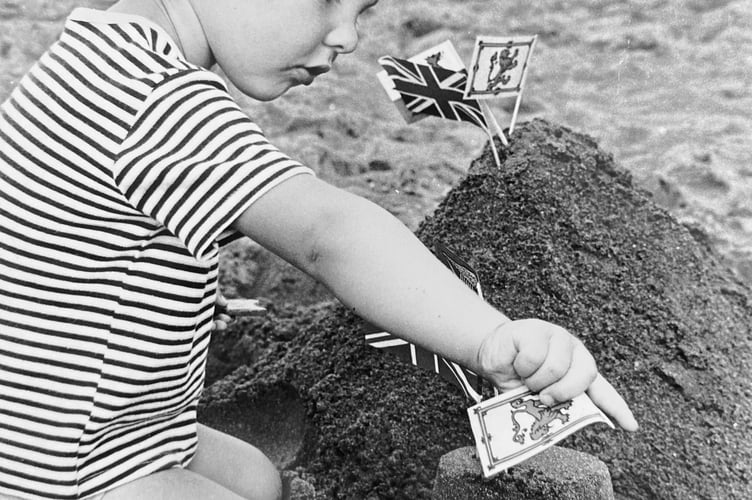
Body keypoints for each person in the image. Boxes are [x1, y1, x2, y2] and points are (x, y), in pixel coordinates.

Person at [0, 0, 638, 499]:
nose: (347, 38)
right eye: (327, 2)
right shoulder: (151, 98)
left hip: (119, 423)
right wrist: (488, 338)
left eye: (362, 13)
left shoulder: (101, 54)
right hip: (64, 468)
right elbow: (328, 234)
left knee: (254, 479)